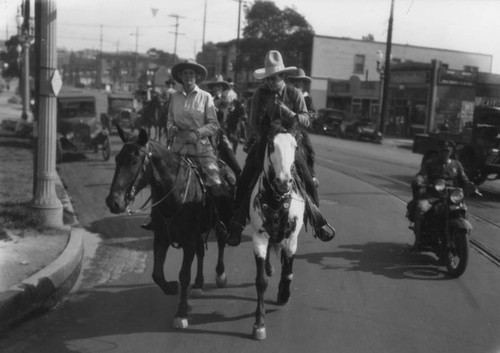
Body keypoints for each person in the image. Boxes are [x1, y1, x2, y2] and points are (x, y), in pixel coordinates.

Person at [226, 50, 335, 246]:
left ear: (283, 77)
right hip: (268, 140)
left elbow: (306, 119)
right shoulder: (260, 93)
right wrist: (262, 139)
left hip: (291, 141)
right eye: (267, 79)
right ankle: (237, 221)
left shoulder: (294, 93)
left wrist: (289, 113)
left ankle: (317, 219)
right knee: (246, 177)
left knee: (307, 179)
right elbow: (253, 122)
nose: (269, 83)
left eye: (273, 79)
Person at [141, 59, 228, 231]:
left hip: (201, 148)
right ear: (180, 77)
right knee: (159, 179)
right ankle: (155, 217)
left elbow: (213, 124)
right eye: (185, 74)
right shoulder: (175, 97)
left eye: (192, 74)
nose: (188, 77)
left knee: (216, 181)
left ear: (196, 77)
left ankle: (219, 219)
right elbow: (169, 120)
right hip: (177, 148)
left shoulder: (206, 97)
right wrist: (172, 128)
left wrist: (197, 133)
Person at [410, 139, 475, 250]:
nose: (445, 153)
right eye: (443, 150)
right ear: (439, 151)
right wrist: (419, 181)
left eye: (448, 151)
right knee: (421, 208)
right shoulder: (430, 163)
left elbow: (464, 179)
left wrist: (470, 185)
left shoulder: (457, 165)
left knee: (464, 210)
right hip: (432, 196)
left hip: (451, 197)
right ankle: (418, 239)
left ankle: (461, 239)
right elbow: (422, 175)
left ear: (452, 152)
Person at [287, 68, 318, 186]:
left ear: (303, 83)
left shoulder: (307, 98)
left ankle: (311, 174)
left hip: (299, 129)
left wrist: (308, 116)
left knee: (309, 150)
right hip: (285, 128)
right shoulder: (287, 95)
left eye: (300, 81)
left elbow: (313, 112)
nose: (298, 83)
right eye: (295, 81)